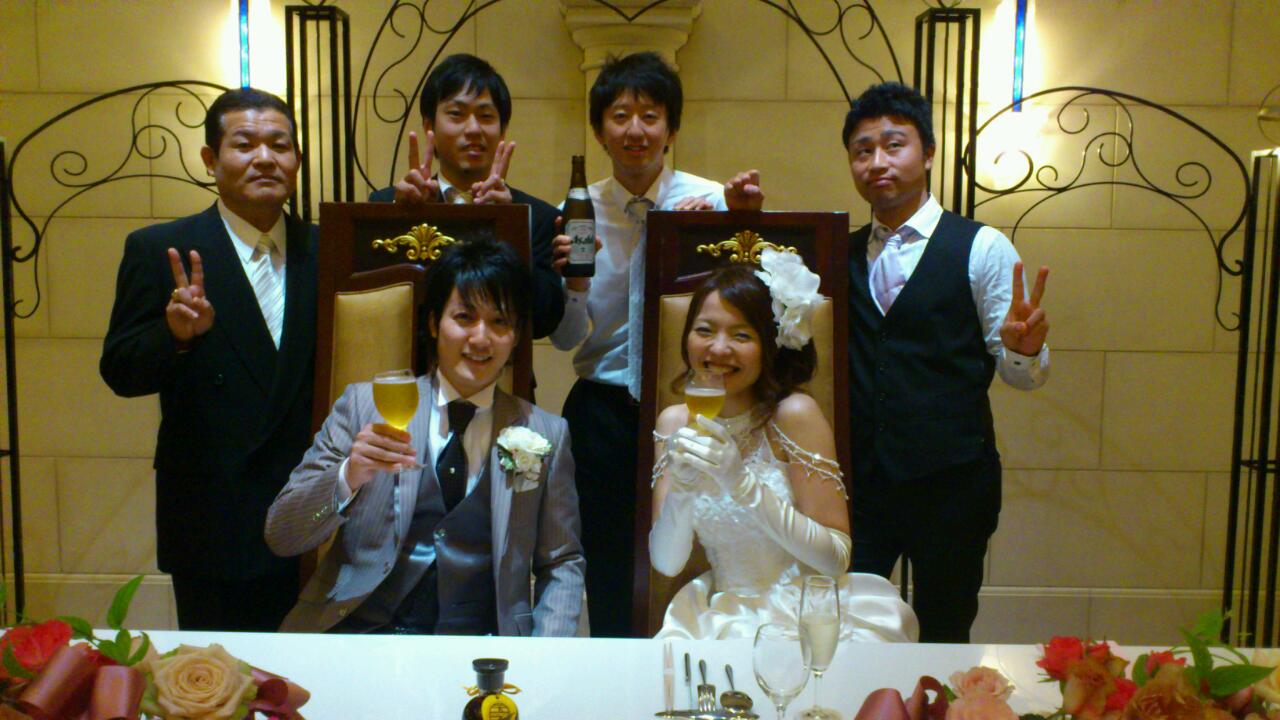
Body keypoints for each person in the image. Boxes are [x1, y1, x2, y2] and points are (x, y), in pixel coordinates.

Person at [265, 238, 586, 636]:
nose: (481, 338)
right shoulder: (363, 406)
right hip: (359, 634)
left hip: (481, 648)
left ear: (517, 335)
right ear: (434, 323)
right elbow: (282, 534)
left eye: (500, 322)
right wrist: (348, 475)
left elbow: (561, 561)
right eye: (465, 317)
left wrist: (544, 652)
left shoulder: (546, 433)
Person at [549, 50, 764, 637]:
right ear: (599, 131)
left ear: (672, 128)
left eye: (650, 115)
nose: (635, 130)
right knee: (607, 562)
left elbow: (755, 306)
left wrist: (734, 225)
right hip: (601, 411)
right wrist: (572, 285)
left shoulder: (712, 202)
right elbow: (565, 340)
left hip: (695, 408)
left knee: (696, 556)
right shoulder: (576, 211)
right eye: (620, 116)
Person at [100, 88, 315, 631]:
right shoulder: (160, 248)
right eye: (244, 144)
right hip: (213, 517)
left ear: (297, 159)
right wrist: (174, 336)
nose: (264, 158)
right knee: (219, 674)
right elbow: (120, 370)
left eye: (280, 145)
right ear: (209, 159)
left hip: (316, 511)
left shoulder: (328, 248)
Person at [843, 82, 1051, 643]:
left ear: (929, 153)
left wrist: (1024, 349)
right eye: (863, 150)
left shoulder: (982, 247)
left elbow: (1024, 375)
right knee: (850, 630)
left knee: (944, 634)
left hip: (953, 484)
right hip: (863, 484)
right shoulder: (840, 251)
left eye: (894, 145)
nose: (878, 162)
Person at [649, 256, 917, 641]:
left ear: (770, 344)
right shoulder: (674, 423)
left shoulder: (793, 415)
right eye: (704, 330)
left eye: (741, 335)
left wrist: (743, 485)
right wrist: (682, 492)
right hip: (727, 617)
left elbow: (835, 559)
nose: (718, 348)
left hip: (809, 612)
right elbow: (666, 563)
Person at [372, 53, 564, 340]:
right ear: (429, 126)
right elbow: (372, 311)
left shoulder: (535, 217)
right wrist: (400, 218)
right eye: (456, 114)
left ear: (502, 131)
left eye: (486, 116)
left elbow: (544, 321)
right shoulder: (386, 204)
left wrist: (509, 226)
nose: (473, 129)